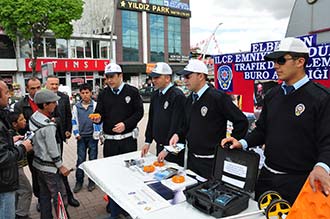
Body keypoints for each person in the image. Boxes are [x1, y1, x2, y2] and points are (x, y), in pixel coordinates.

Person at [221, 37, 330, 205]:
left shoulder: (321, 98)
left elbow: (327, 141)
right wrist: (241, 143)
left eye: (281, 60)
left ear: (300, 61)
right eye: (274, 61)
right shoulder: (272, 95)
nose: (275, 65)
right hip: (266, 179)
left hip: (299, 183)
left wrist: (322, 166)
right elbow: (262, 130)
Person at [169, 59, 248, 179]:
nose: (184, 80)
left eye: (188, 76)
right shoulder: (190, 99)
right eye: (184, 77)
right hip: (192, 160)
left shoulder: (217, 97)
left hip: (211, 162)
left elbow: (241, 121)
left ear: (200, 76)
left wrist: (231, 144)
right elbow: (187, 124)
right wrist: (178, 134)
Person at [92, 63, 143, 219]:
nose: (109, 80)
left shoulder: (132, 92)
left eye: (112, 76)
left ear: (120, 76)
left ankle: (128, 205)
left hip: (128, 141)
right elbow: (98, 112)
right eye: (107, 77)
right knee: (112, 176)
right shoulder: (104, 94)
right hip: (110, 142)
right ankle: (113, 204)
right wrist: (97, 118)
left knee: (129, 174)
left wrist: (126, 124)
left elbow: (139, 112)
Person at [29, 89, 71, 219]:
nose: (56, 105)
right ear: (45, 105)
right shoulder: (48, 126)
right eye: (53, 102)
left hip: (38, 164)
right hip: (50, 168)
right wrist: (60, 166)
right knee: (60, 197)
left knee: (44, 196)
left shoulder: (34, 117)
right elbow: (52, 149)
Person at [141, 62, 186, 166]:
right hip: (160, 146)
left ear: (167, 78)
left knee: (173, 178)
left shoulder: (177, 96)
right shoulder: (155, 95)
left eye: (157, 77)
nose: (153, 80)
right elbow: (151, 119)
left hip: (173, 148)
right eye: (152, 77)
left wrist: (167, 149)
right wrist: (148, 141)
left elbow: (177, 125)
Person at [45, 75, 80, 207]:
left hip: (59, 139)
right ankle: (47, 199)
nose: (54, 86)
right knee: (50, 171)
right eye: (51, 84)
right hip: (45, 142)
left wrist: (68, 130)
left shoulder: (64, 97)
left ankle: (68, 196)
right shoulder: (42, 98)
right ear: (46, 85)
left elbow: (68, 115)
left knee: (59, 166)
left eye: (56, 84)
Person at [0, 79, 32, 219]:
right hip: (4, 183)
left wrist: (10, 141)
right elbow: (3, 157)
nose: (9, 96)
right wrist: (23, 148)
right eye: (6, 92)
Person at [14, 77, 42, 211]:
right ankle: (40, 198)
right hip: (30, 147)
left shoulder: (46, 100)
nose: (36, 91)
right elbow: (17, 125)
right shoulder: (20, 105)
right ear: (27, 89)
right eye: (32, 88)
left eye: (38, 87)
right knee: (36, 174)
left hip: (46, 145)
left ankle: (50, 196)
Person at [72, 83, 101, 193]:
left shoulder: (95, 106)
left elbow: (99, 121)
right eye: (83, 93)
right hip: (81, 137)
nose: (85, 95)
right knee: (81, 159)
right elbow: (74, 120)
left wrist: (99, 134)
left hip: (93, 137)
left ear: (91, 93)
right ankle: (79, 181)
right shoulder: (76, 107)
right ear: (80, 94)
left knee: (93, 159)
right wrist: (76, 133)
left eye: (87, 92)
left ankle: (92, 181)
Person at [8, 112, 32, 219]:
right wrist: (24, 147)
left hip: (15, 167)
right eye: (21, 119)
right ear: (14, 123)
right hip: (15, 167)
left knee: (17, 192)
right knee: (26, 190)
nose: (25, 121)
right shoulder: (10, 134)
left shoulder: (14, 133)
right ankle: (21, 215)